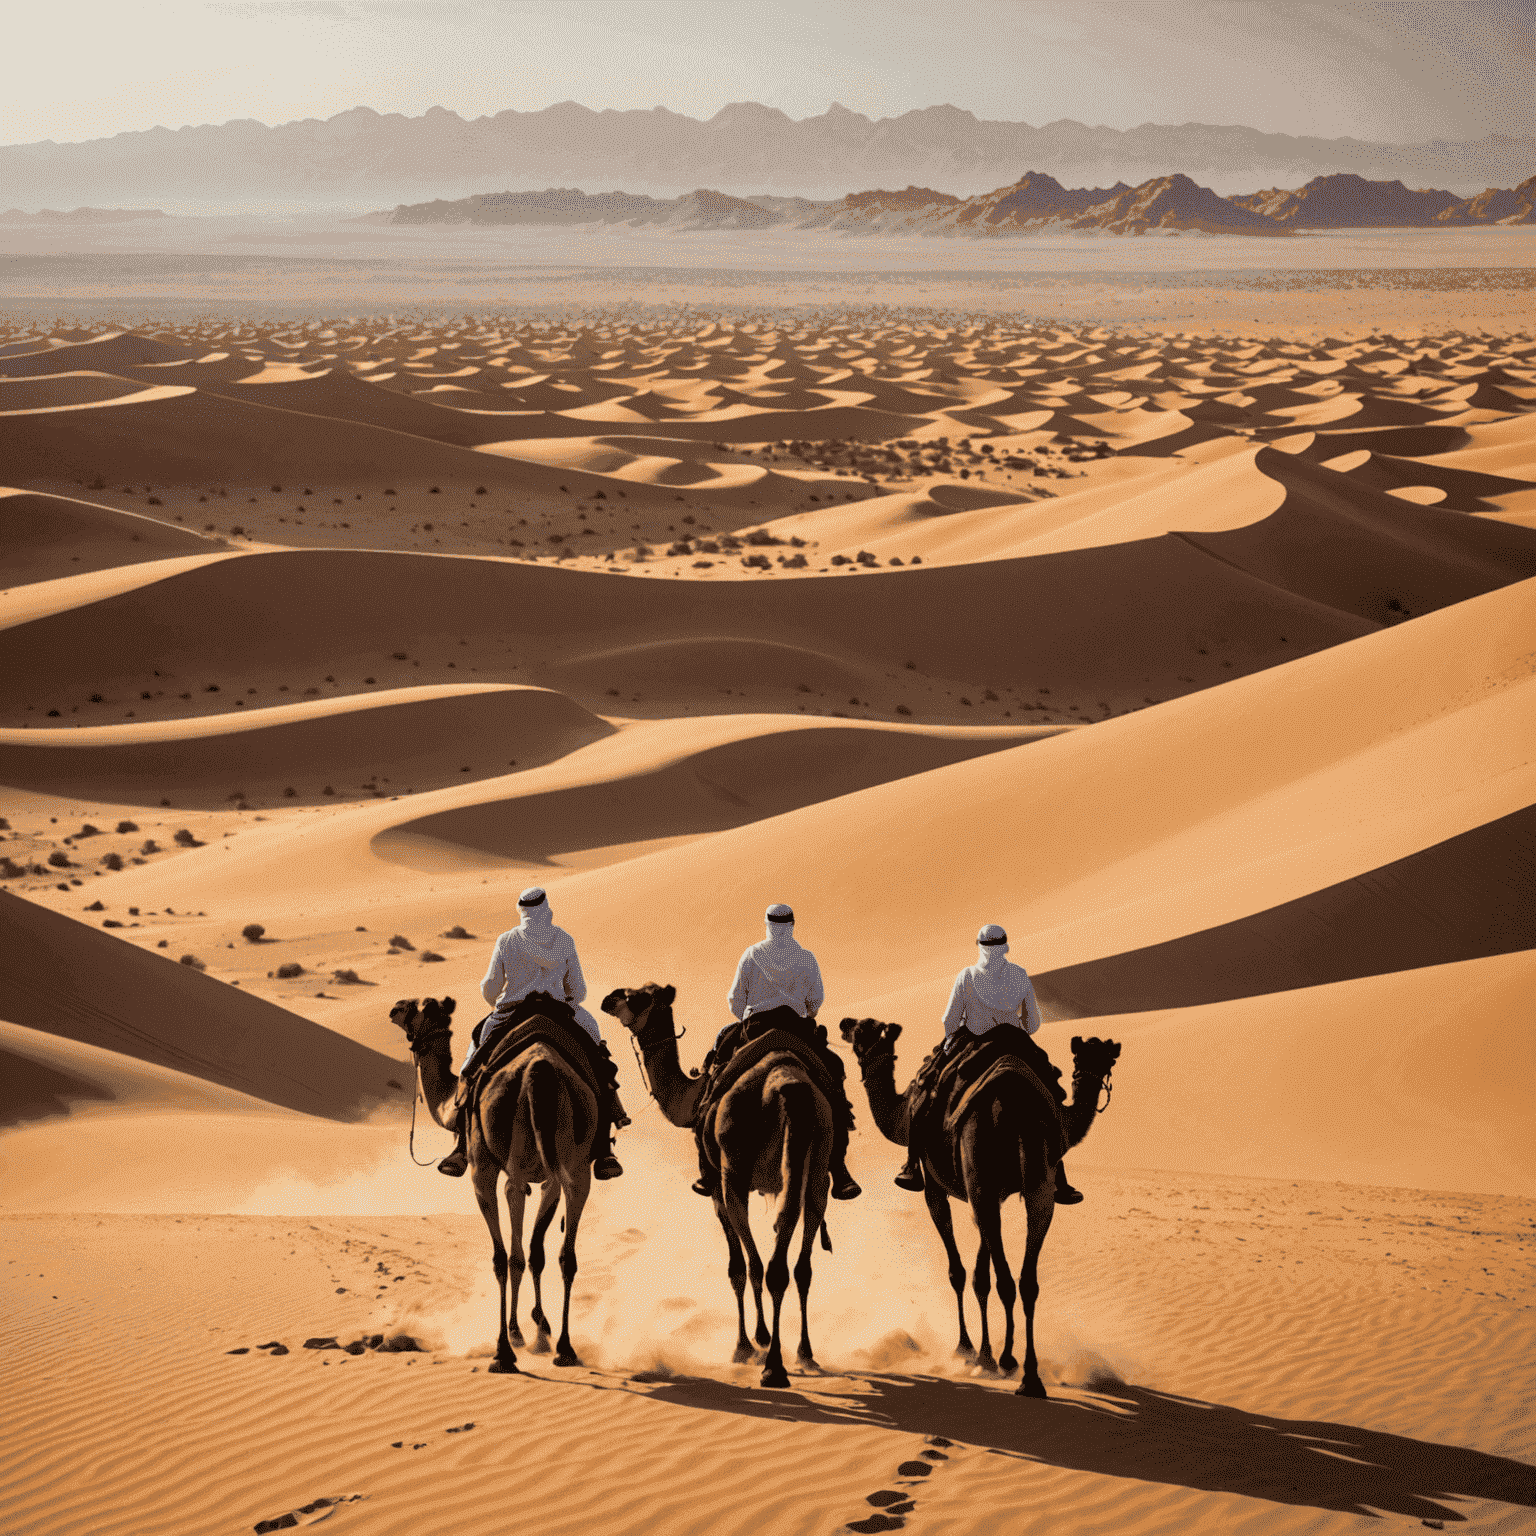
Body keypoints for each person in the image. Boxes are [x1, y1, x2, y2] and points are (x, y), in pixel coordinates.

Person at [437, 886, 627, 1180]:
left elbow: (490, 986)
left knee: (472, 1065)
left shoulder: (507, 940)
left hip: (512, 1012)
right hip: (559, 1012)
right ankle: (604, 1149)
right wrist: (561, 996)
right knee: (597, 1058)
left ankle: (461, 1148)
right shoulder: (563, 939)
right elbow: (578, 990)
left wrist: (498, 1003)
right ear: (547, 908)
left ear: (521, 910)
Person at [893, 923, 1082, 1203]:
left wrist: (951, 1040)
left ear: (979, 946)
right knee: (1050, 1092)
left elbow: (949, 1019)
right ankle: (1058, 1175)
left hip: (973, 1041)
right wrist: (1013, 1026)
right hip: (1015, 1043)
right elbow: (1033, 1022)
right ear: (1005, 945)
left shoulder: (967, 975)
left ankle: (913, 1164)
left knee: (929, 1086)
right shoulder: (1019, 974)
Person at [691, 903, 861, 1202]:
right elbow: (815, 1002)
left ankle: (707, 1168)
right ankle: (840, 1170)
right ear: (793, 924)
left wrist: (749, 1012)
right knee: (832, 1078)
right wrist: (801, 1009)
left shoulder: (752, 954)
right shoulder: (806, 957)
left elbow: (734, 1000)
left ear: (766, 924)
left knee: (718, 1079)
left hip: (755, 1029)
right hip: (798, 1032)